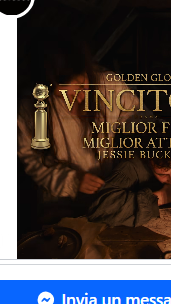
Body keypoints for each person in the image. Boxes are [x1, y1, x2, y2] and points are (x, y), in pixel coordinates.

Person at [17, 38, 129, 221]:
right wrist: (72, 180)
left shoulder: (109, 85)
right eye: (67, 95)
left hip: (111, 197)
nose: (80, 98)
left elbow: (141, 122)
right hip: (61, 206)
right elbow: (33, 162)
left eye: (82, 85)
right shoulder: (30, 109)